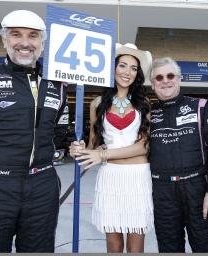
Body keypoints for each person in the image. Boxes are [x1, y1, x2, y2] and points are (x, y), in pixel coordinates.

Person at [0, 10, 68, 252]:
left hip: (43, 186)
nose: (25, 43)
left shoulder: (58, 85)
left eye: (33, 36)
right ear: (4, 40)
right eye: (16, 35)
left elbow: (57, 133)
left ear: (42, 43)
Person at [69, 43, 153, 253]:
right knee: (113, 245)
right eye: (122, 65)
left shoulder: (144, 103)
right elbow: (93, 145)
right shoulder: (97, 103)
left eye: (134, 68)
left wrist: (104, 155)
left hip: (138, 178)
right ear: (112, 68)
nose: (127, 72)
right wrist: (79, 149)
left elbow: (144, 146)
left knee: (136, 246)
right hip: (110, 178)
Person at [148, 57, 208, 252]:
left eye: (170, 75)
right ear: (153, 84)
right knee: (168, 248)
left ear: (179, 78)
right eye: (159, 77)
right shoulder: (147, 115)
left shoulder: (201, 106)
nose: (165, 80)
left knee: (203, 247)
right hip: (162, 191)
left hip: (197, 190)